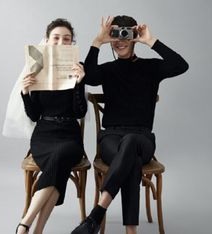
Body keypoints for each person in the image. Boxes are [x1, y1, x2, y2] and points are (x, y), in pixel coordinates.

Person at [71, 15, 189, 234]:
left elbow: (181, 65)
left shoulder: (151, 67)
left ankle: (95, 215)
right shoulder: (107, 70)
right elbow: (88, 76)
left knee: (132, 143)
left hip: (142, 137)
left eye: (126, 33)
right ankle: (131, 231)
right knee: (131, 159)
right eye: (115, 34)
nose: (120, 39)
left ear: (134, 36)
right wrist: (98, 41)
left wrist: (151, 41)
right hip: (111, 139)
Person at [15, 18, 87, 234]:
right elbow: (34, 115)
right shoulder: (36, 66)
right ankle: (36, 230)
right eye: (56, 38)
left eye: (66, 39)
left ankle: (24, 223)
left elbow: (80, 112)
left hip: (69, 136)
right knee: (59, 166)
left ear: (71, 43)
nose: (61, 42)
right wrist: (26, 93)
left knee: (61, 157)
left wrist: (79, 83)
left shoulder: (77, 68)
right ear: (47, 41)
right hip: (43, 135)